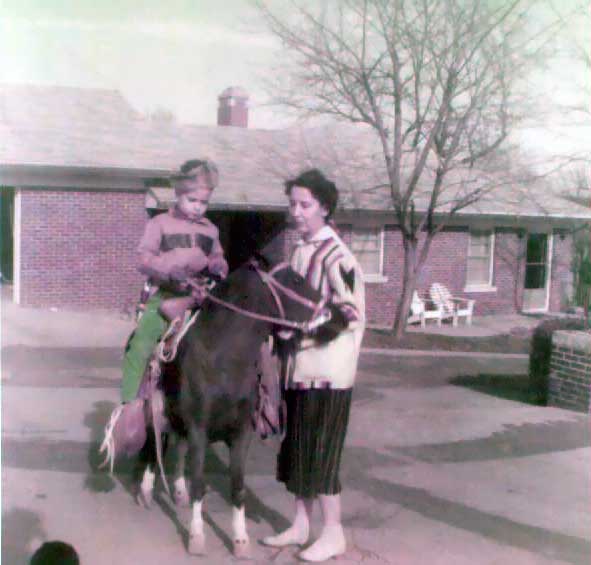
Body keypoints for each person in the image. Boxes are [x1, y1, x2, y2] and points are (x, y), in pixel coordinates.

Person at [262, 169, 365, 562]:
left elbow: (349, 314)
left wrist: (300, 333)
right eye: (293, 204)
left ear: (324, 208)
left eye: (305, 205)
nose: (297, 212)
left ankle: (333, 532)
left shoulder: (338, 256)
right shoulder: (300, 251)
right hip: (299, 371)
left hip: (328, 372)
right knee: (299, 450)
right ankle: (301, 525)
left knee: (322, 454)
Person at [120, 158, 228, 403]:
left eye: (204, 202)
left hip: (200, 298)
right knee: (140, 346)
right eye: (193, 200)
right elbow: (144, 259)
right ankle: (128, 409)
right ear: (178, 194)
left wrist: (219, 265)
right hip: (167, 295)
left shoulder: (210, 229)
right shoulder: (159, 224)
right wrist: (168, 270)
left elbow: (217, 256)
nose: (198, 207)